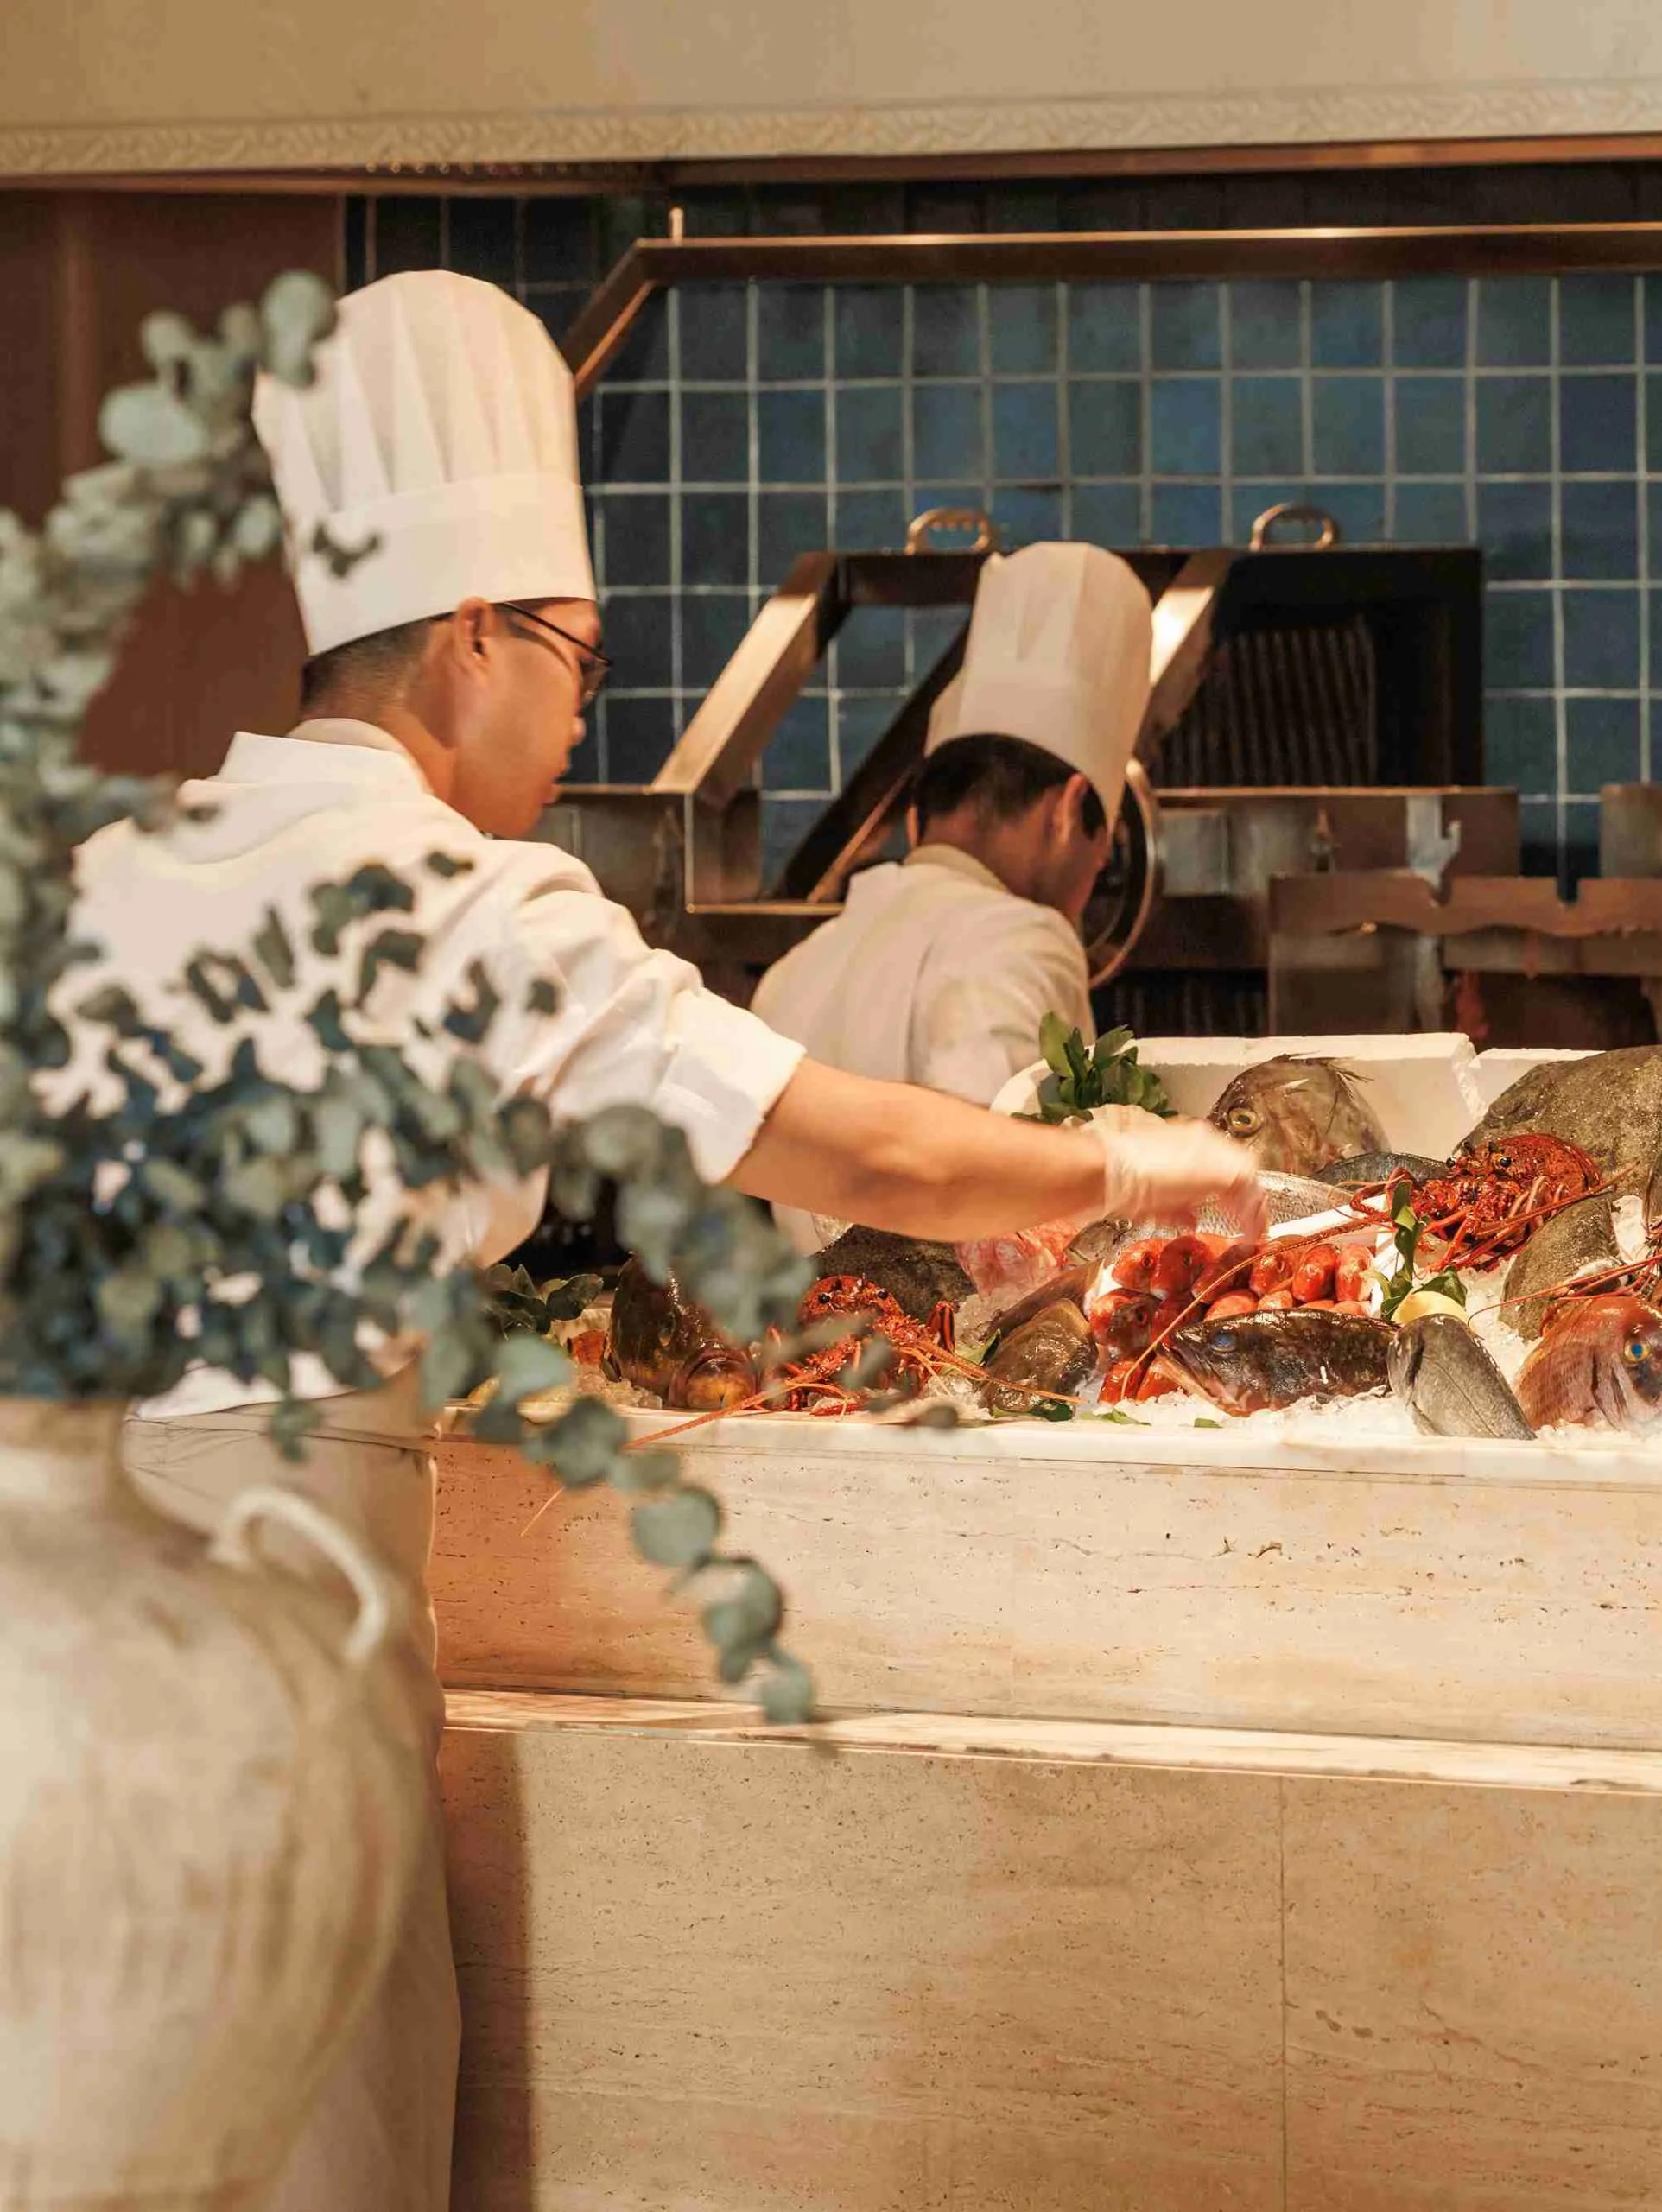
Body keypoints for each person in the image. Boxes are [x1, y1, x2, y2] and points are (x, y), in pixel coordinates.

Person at [55, 269, 1260, 2212]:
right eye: (583, 667)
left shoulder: (118, 864)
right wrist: (1119, 1167)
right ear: (472, 637)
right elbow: (854, 1142)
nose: (572, 721)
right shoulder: (466, 899)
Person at [753, 539, 1151, 1249]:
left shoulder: (799, 965)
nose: (1094, 880)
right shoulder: (1019, 941)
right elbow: (1006, 1220)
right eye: (1103, 844)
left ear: (917, 816)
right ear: (1069, 809)